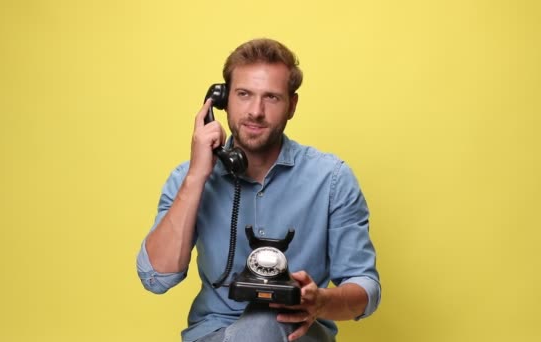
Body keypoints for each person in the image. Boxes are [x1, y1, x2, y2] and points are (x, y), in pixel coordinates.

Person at [136, 38, 381, 342]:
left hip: (296, 333)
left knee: (266, 318)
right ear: (221, 101)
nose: (256, 111)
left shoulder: (332, 179)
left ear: (292, 105)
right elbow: (156, 277)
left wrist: (320, 302)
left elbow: (365, 287)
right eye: (244, 95)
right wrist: (198, 175)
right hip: (214, 334)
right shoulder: (188, 179)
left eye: (272, 98)